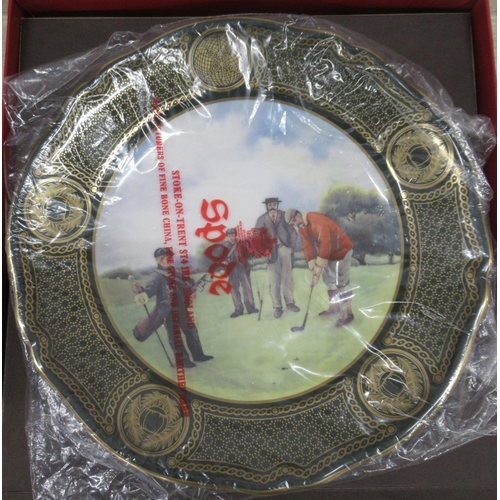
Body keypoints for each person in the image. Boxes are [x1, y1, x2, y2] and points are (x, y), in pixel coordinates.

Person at [133, 247, 213, 368]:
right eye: (167, 258)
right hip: (168, 310)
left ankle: (198, 356)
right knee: (175, 336)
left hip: (181, 307)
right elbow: (149, 292)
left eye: (170, 257)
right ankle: (184, 360)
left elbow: (188, 281)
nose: (170, 260)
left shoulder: (175, 271)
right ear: (160, 260)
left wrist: (191, 285)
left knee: (191, 331)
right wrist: (140, 291)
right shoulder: (156, 276)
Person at [285, 209, 355, 327]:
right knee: (328, 281)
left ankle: (347, 313)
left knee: (341, 283)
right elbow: (308, 247)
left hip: (342, 250)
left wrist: (318, 267)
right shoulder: (302, 227)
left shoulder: (316, 220)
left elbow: (325, 243)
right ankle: (334, 307)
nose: (295, 224)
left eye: (295, 220)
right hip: (329, 254)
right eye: (293, 224)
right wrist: (313, 268)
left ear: (298, 214)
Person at [255, 197, 300, 318]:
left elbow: (293, 233)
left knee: (287, 278)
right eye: (270, 205)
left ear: (277, 205)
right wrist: (264, 251)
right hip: (270, 253)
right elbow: (257, 238)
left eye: (274, 204)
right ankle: (277, 307)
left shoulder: (284, 216)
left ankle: (290, 303)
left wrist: (291, 247)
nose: (272, 207)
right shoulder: (261, 219)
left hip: (285, 250)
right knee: (274, 281)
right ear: (267, 206)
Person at [223, 228, 259, 318]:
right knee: (234, 290)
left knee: (247, 288)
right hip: (231, 270)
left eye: (232, 235)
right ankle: (238, 310)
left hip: (242, 267)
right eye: (229, 236)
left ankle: (251, 308)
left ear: (235, 235)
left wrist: (251, 250)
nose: (231, 237)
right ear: (227, 237)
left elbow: (248, 254)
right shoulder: (224, 247)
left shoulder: (241, 243)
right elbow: (221, 258)